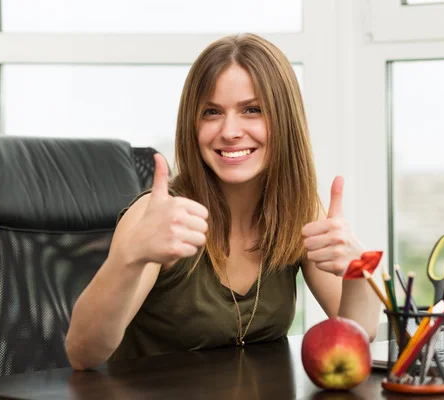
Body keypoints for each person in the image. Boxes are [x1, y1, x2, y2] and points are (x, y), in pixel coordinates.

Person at [65, 33, 381, 370]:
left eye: (252, 110)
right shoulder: (158, 216)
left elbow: (359, 333)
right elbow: (82, 353)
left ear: (285, 120)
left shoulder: (297, 211)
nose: (230, 131)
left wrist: (358, 270)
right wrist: (129, 257)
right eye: (212, 112)